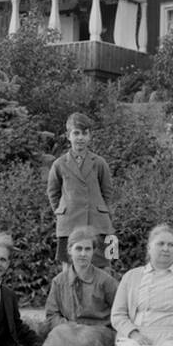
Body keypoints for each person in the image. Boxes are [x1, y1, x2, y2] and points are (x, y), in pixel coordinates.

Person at [37, 226, 118, 346]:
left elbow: (119, 312)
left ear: (93, 251)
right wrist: (68, 328)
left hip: (97, 335)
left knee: (82, 342)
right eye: (78, 249)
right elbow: (52, 314)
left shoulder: (105, 281)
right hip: (66, 333)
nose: (83, 254)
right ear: (70, 251)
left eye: (87, 249)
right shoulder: (59, 281)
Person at [47, 112, 114, 268]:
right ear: (68, 136)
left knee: (103, 267)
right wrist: (63, 210)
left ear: (90, 136)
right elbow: (53, 193)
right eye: (76, 133)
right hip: (70, 224)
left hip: (97, 223)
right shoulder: (59, 164)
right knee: (69, 270)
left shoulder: (99, 163)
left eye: (85, 133)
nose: (80, 138)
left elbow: (107, 192)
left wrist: (100, 210)